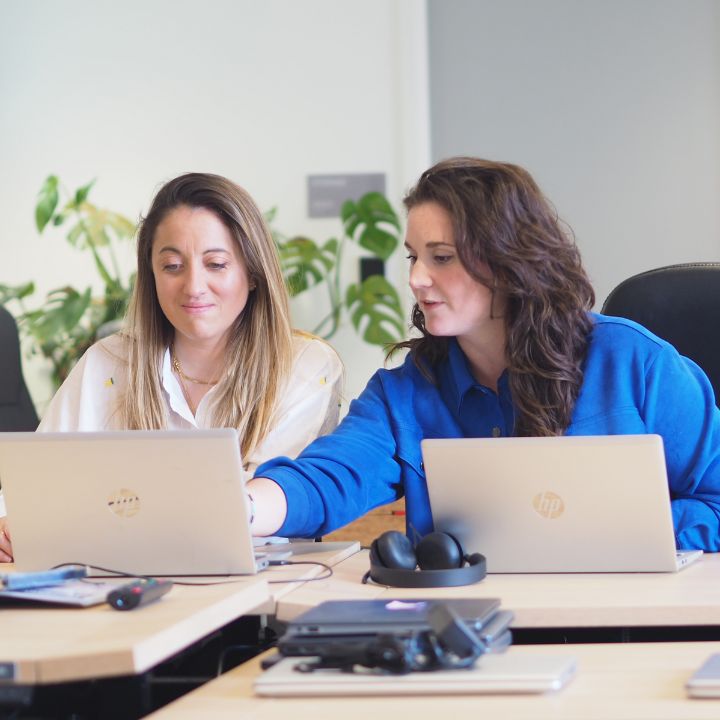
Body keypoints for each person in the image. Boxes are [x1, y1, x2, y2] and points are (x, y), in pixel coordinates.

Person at [246, 157, 720, 551]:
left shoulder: (635, 363)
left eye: (442, 257)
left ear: (510, 260)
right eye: (414, 257)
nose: (416, 279)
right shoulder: (406, 391)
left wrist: (623, 534)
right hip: (479, 631)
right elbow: (328, 478)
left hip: (629, 626)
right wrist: (242, 509)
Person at [0, 172, 342, 562]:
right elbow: (32, 484)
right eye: (173, 266)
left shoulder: (304, 367)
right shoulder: (108, 364)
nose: (193, 286)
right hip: (118, 583)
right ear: (151, 275)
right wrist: (9, 522)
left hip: (254, 600)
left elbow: (264, 503)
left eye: (215, 264)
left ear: (252, 272)